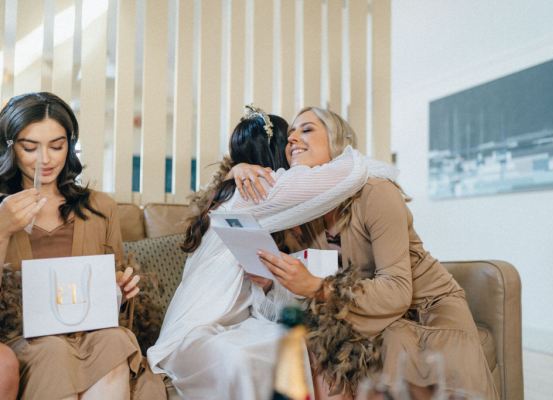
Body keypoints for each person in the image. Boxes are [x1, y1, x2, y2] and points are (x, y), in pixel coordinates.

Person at [147, 104, 396, 400]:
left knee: (292, 342)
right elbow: (349, 173)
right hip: (193, 334)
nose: (295, 147)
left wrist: (268, 286)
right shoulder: (256, 191)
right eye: (289, 141)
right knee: (241, 359)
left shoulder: (240, 198)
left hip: (236, 326)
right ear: (277, 156)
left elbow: (264, 306)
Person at [256, 107, 499, 400]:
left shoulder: (376, 193)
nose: (292, 138)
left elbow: (398, 291)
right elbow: (302, 273)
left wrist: (319, 288)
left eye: (306, 129)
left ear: (337, 142)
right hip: (365, 309)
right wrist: (272, 282)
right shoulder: (306, 211)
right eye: (290, 133)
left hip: (424, 309)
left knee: (379, 353)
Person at [0, 92, 165, 400]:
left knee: (116, 340)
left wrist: (119, 287)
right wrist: (2, 229)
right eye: (30, 147)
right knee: (52, 351)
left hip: (92, 333)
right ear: (10, 146)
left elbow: (111, 292)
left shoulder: (100, 207)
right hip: (27, 338)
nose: (45, 159)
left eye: (57, 146)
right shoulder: (3, 211)